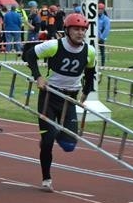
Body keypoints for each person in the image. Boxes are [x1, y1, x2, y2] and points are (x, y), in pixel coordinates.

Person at [23, 12, 97, 192]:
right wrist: (38, 77)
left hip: (69, 99)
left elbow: (89, 73)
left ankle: (49, 134)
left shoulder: (90, 51)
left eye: (83, 30)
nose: (80, 33)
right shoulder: (54, 46)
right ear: (67, 30)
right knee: (48, 140)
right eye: (76, 29)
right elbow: (29, 56)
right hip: (49, 96)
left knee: (69, 145)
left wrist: (86, 93)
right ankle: (46, 178)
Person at [97, 2, 111, 66]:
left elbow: (106, 29)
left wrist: (102, 38)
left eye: (101, 9)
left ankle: (103, 65)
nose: (99, 10)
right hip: (94, 37)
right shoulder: (94, 17)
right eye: (98, 9)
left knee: (102, 52)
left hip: (101, 39)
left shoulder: (106, 19)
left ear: (103, 10)